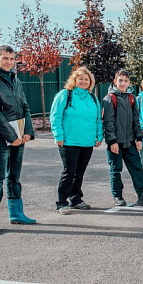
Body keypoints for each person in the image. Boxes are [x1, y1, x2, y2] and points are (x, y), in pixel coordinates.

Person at [102, 69, 143, 207]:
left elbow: (136, 120)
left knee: (137, 169)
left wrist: (139, 138)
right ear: (114, 82)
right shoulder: (110, 99)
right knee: (116, 170)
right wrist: (112, 141)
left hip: (130, 142)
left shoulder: (131, 98)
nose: (123, 83)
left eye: (125, 80)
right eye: (120, 80)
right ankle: (117, 196)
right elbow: (108, 123)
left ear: (129, 82)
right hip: (116, 143)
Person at [49, 66, 103, 215]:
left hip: (87, 142)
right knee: (69, 172)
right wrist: (58, 135)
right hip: (69, 141)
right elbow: (55, 116)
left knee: (80, 172)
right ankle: (61, 202)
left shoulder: (92, 98)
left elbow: (98, 119)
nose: (84, 81)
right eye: (81, 79)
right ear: (74, 80)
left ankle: (76, 199)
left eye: (86, 79)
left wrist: (99, 136)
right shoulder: (65, 95)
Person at [0, 45, 36, 232]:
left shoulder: (16, 81)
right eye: (5, 58)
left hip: (18, 137)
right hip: (2, 138)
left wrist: (28, 131)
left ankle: (16, 214)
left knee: (14, 176)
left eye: (12, 59)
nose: (9, 62)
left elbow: (26, 106)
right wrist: (11, 136)